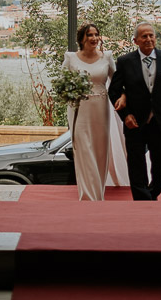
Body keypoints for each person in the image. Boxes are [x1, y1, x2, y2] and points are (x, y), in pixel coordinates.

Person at [108, 22, 161, 200]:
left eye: (151, 35)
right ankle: (142, 198)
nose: (149, 39)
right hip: (135, 121)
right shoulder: (125, 61)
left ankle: (153, 193)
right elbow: (113, 91)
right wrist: (125, 115)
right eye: (144, 36)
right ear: (135, 40)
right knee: (136, 162)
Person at [63, 23, 129, 200]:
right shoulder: (70, 58)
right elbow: (62, 84)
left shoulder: (107, 57)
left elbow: (117, 82)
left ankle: (98, 194)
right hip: (79, 110)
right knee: (84, 152)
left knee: (100, 152)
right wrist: (71, 93)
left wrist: (123, 96)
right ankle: (87, 196)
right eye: (89, 35)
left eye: (96, 34)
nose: (94, 38)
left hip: (101, 109)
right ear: (81, 39)